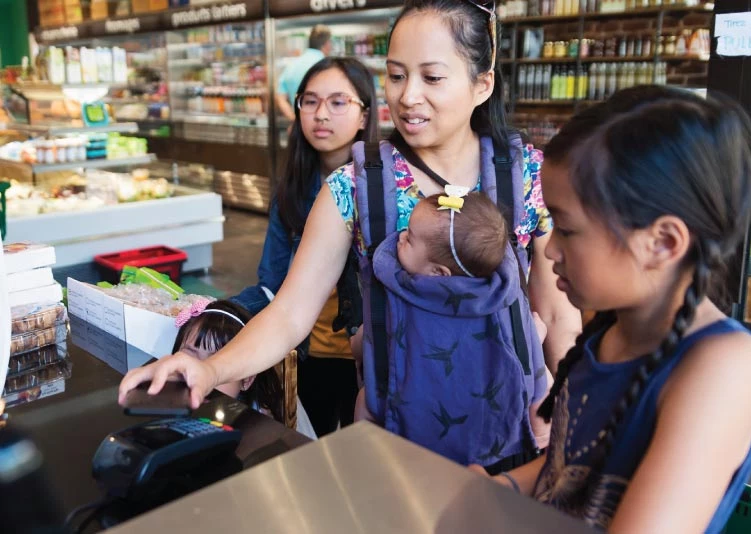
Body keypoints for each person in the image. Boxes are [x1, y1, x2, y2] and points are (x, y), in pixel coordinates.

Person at [119, 0, 579, 460]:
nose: (408, 96)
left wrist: (565, 419)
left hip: (513, 433)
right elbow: (290, 313)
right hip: (397, 436)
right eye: (396, 75)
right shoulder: (353, 187)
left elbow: (557, 315)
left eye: (431, 77)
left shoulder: (526, 177)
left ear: (482, 84)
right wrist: (212, 369)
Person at [470, 86, 751, 533]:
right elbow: (569, 469)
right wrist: (505, 487)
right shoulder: (608, 334)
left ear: (662, 243)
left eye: (568, 230)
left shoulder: (723, 366)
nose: (550, 250)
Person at [232, 57, 378, 436]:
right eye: (310, 101)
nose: (321, 114)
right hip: (308, 351)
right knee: (312, 451)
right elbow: (271, 284)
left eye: (337, 102)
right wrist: (218, 318)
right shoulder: (292, 192)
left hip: (370, 355)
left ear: (364, 115)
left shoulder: (386, 189)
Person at [353, 190, 553, 464]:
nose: (400, 236)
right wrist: (537, 335)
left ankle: (361, 461)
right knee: (540, 385)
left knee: (367, 400)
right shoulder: (502, 297)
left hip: (413, 422)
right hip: (487, 423)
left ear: (438, 273)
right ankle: (540, 440)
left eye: (409, 238)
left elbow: (367, 345)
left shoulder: (402, 295)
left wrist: (357, 343)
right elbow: (528, 351)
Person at [172, 299, 316, 440]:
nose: (199, 375)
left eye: (217, 364)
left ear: (247, 379)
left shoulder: (258, 433)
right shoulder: (166, 407)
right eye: (190, 358)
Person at [275, 25, 332, 124]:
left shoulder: (292, 65)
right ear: (327, 44)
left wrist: (294, 119)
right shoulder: (327, 66)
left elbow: (280, 98)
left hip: (300, 125)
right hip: (322, 124)